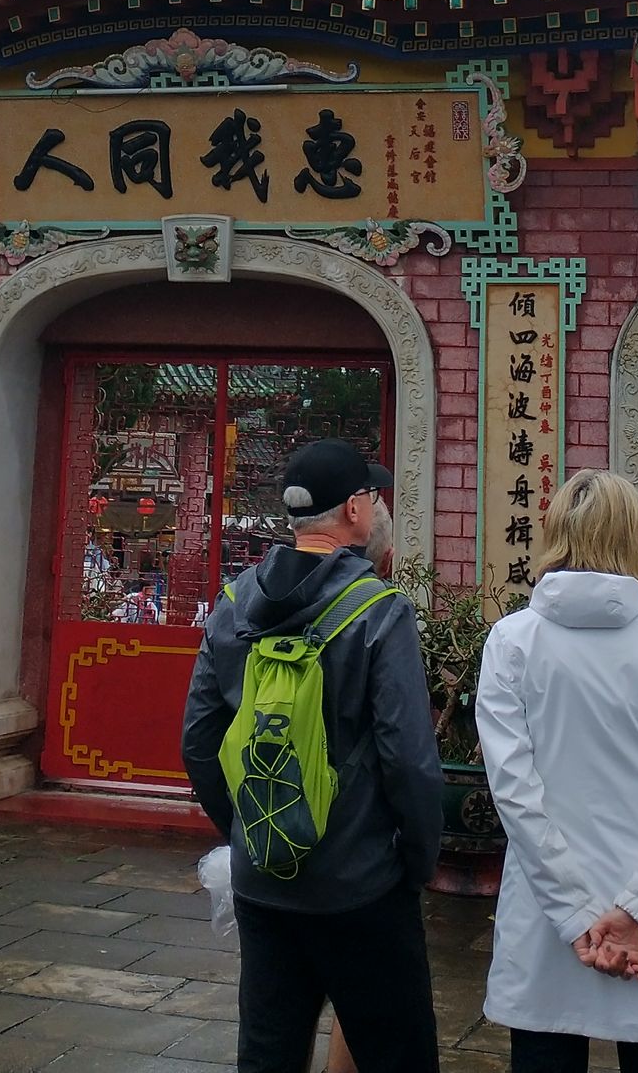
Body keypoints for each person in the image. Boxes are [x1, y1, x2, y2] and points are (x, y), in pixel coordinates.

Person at [182, 439, 443, 1073]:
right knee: (397, 1053)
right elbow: (409, 760)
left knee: (268, 1051)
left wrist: (248, 831)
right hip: (361, 884)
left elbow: (199, 741)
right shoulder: (380, 611)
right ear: (355, 509)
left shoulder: (234, 604)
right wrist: (414, 862)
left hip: (262, 882)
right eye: (371, 496)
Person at [475, 470, 638, 1073]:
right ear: (636, 537)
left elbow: (515, 794)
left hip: (546, 921)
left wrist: (575, 915)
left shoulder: (512, 643)